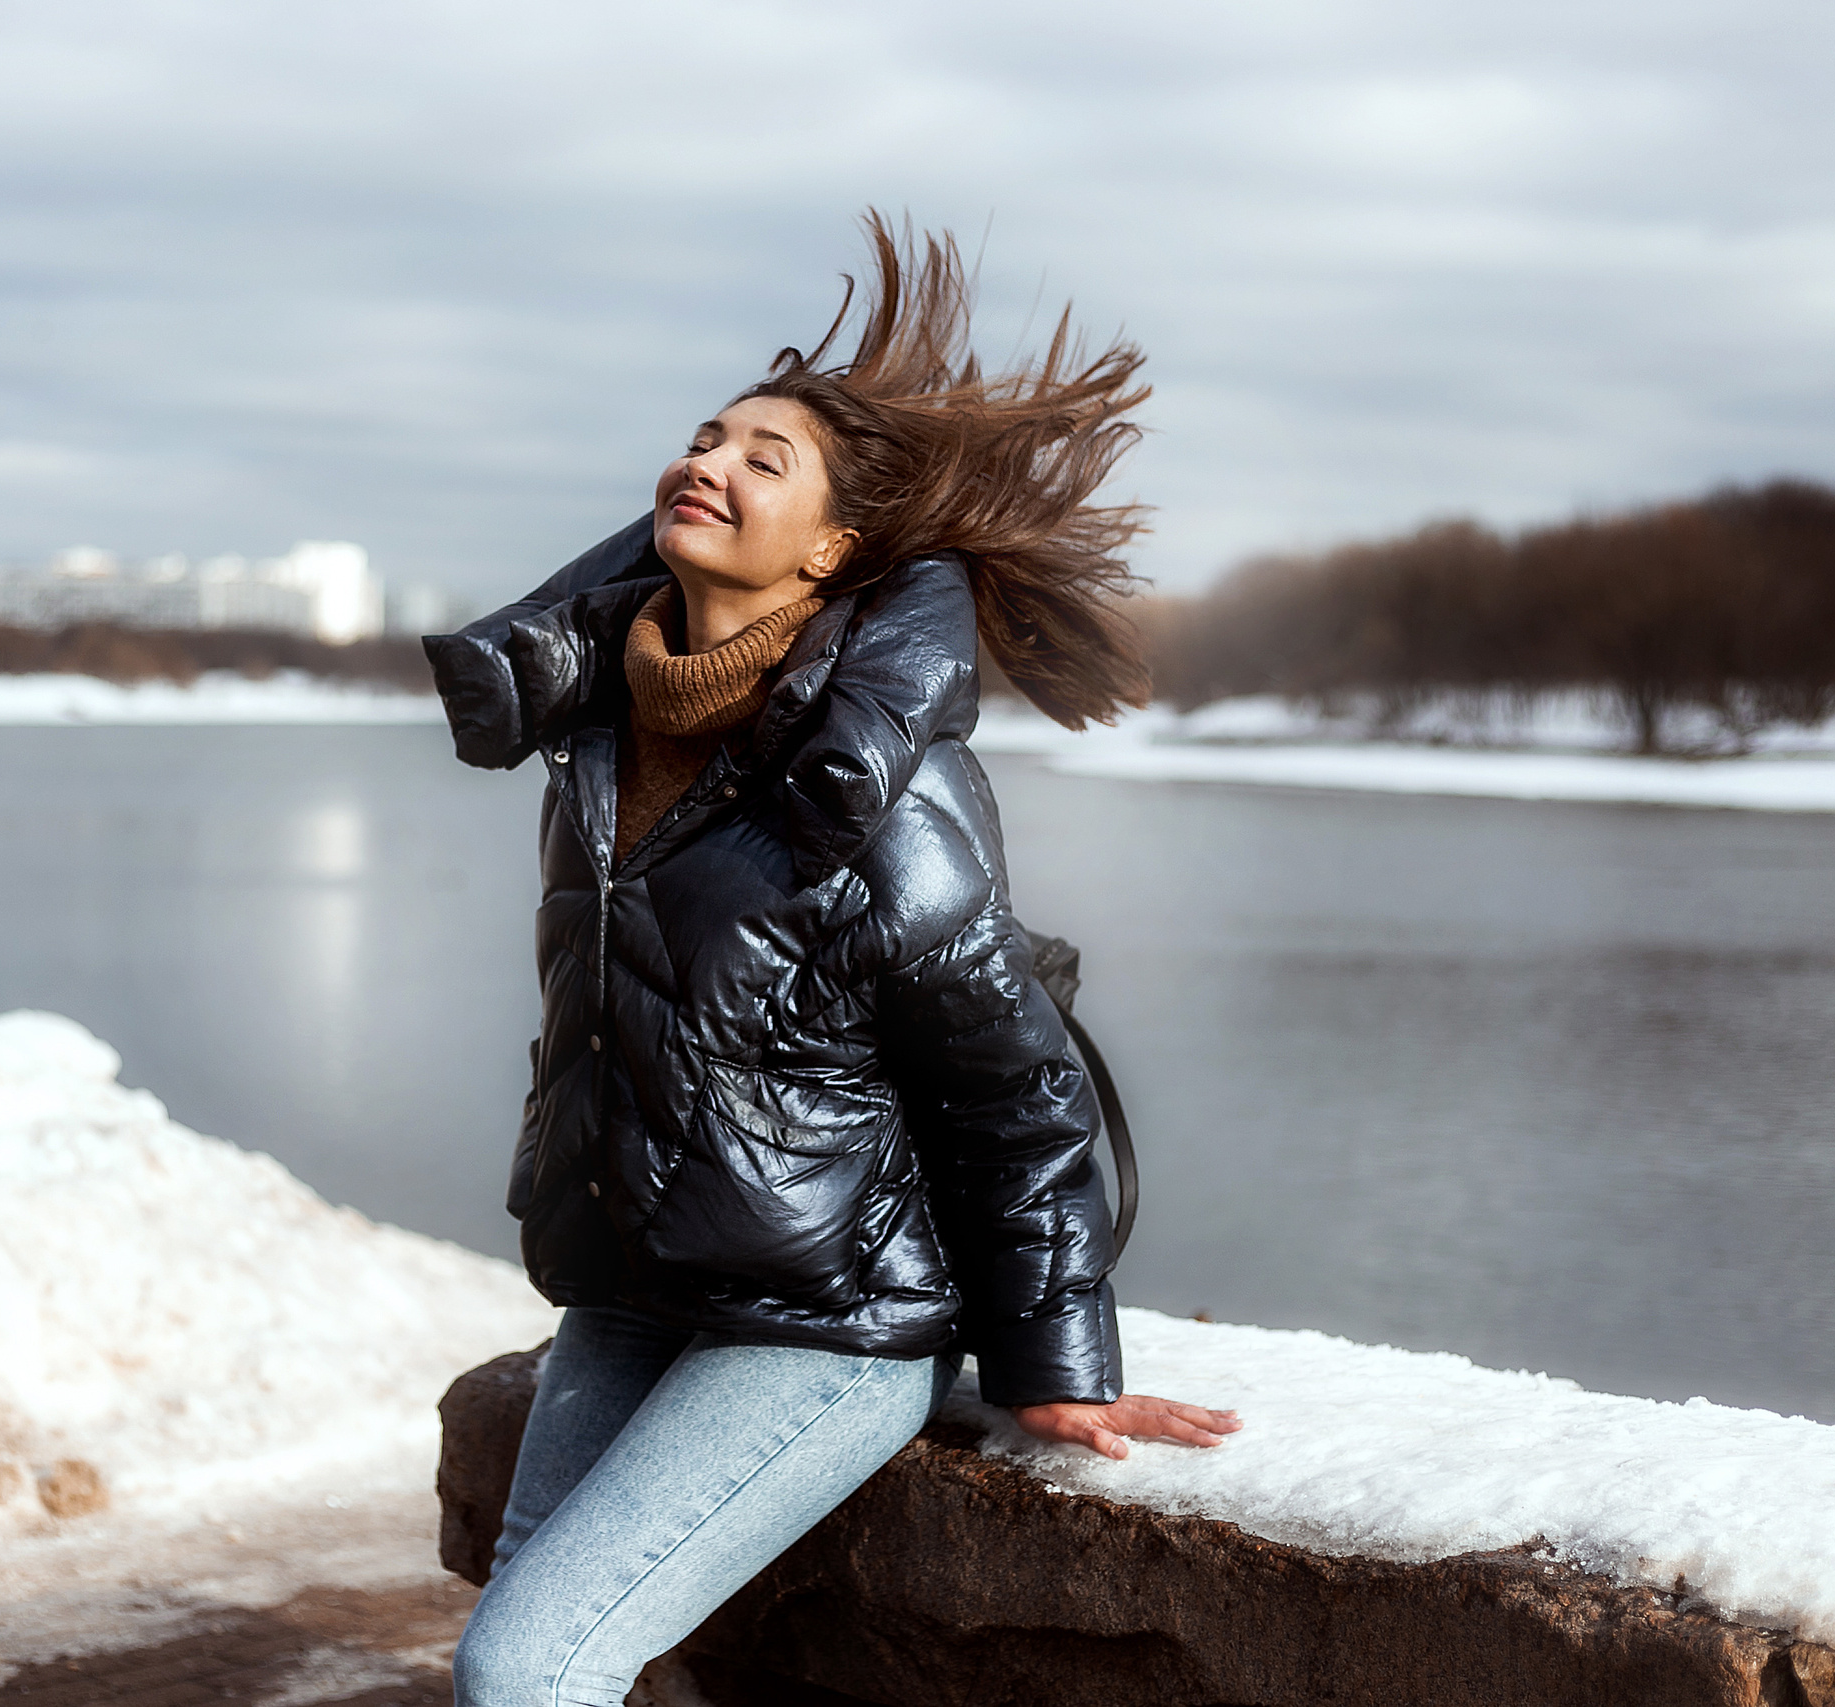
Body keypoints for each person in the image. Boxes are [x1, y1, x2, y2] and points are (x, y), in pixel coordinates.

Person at [426, 216, 1238, 1707]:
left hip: (833, 1320)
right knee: (531, 1630)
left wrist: (1055, 1365)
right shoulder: (604, 734)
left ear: (837, 549)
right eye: (702, 439)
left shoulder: (876, 786)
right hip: (633, 1284)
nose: (711, 463)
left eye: (764, 462)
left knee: (525, 1666)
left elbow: (1012, 1086)